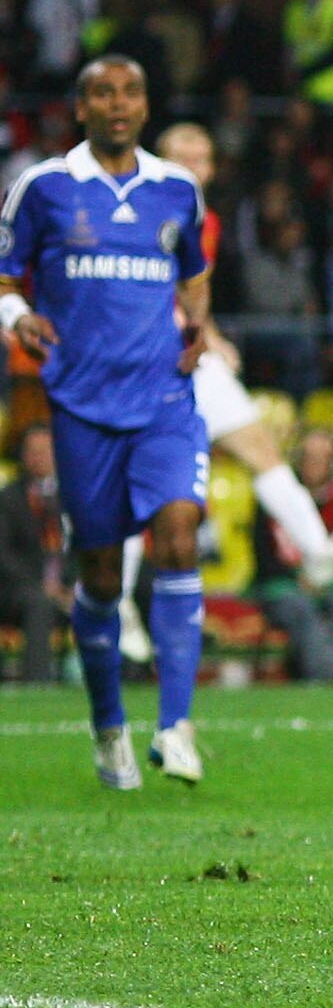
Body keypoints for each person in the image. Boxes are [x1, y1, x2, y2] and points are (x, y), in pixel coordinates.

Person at [0, 56, 214, 788]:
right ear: (81, 106)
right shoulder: (45, 186)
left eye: (129, 91)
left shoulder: (176, 188)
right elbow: (4, 272)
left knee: (180, 529)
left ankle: (177, 724)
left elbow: (194, 270)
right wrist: (18, 314)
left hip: (162, 398)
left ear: (145, 105)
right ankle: (108, 726)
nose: (116, 104)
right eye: (101, 92)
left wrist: (198, 322)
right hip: (83, 406)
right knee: (99, 574)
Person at [152, 123, 333, 589]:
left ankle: (317, 551)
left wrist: (210, 334)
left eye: (204, 158)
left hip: (190, 355)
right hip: (143, 362)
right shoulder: (137, 212)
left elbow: (190, 290)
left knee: (261, 448)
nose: (196, 167)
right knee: (140, 485)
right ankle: (112, 606)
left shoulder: (206, 221)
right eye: (185, 157)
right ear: (159, 163)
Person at [252, 429, 333, 681]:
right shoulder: (274, 500)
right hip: (284, 585)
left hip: (329, 583)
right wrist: (300, 578)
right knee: (300, 607)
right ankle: (328, 678)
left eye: (320, 458)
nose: (313, 465)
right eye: (308, 458)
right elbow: (263, 556)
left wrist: (327, 577)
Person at [1, 424, 70, 683]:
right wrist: (43, 586)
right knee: (38, 604)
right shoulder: (8, 498)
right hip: (19, 590)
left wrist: (74, 585)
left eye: (45, 451)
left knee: (102, 597)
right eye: (32, 451)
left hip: (68, 587)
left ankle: (129, 674)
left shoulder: (73, 495)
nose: (38, 457)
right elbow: (3, 555)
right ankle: (38, 683)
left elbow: (82, 546)